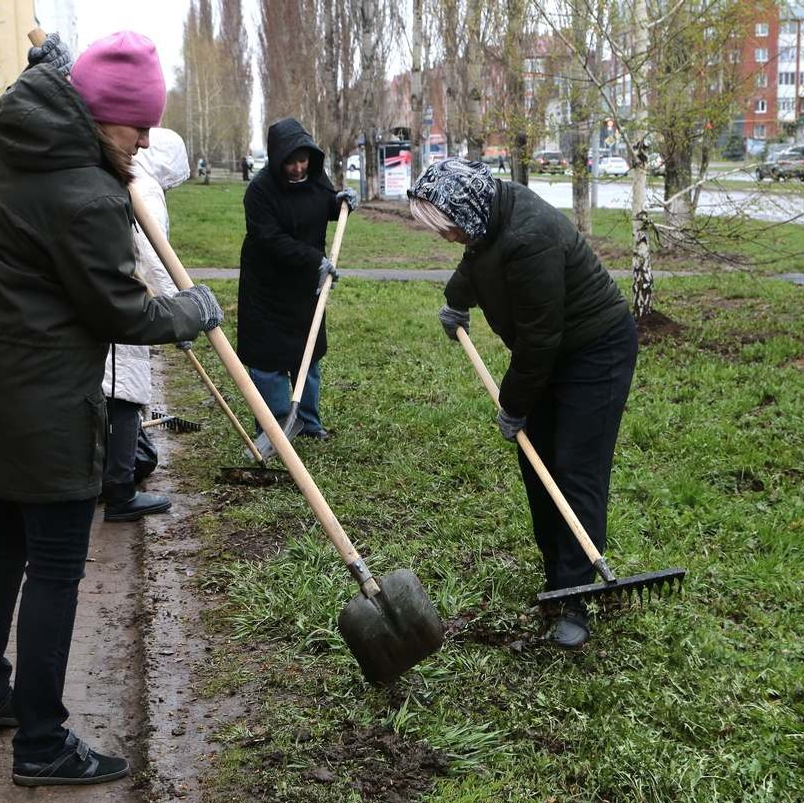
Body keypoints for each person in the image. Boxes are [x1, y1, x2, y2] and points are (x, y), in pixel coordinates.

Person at [0, 31, 223, 786]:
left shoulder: (6, 137)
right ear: (101, 115)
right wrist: (190, 310)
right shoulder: (86, 194)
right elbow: (121, 312)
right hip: (42, 401)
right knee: (58, 565)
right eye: (136, 129)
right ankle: (41, 741)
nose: (142, 144)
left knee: (1, 534)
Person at [407, 158, 638, 650]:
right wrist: (457, 300)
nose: (448, 238)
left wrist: (513, 405)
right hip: (552, 351)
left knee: (576, 468)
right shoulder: (488, 217)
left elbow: (538, 343)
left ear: (467, 211)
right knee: (538, 463)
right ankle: (558, 574)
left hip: (596, 352)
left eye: (448, 228)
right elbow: (475, 259)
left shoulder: (529, 238)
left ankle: (575, 597)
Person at [236, 117, 357, 442]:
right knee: (269, 361)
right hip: (267, 289)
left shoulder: (315, 177)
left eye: (302, 160)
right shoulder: (260, 191)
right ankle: (275, 427)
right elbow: (270, 239)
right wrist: (314, 260)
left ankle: (308, 422)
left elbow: (322, 206)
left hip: (305, 286)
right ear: (277, 160)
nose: (298, 168)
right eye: (290, 162)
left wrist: (340, 202)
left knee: (308, 355)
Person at [99, 128, 191, 522]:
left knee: (108, 396)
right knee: (123, 393)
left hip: (104, 303)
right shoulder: (144, 189)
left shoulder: (119, 176)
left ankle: (100, 480)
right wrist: (182, 315)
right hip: (122, 308)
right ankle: (120, 491)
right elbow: (156, 259)